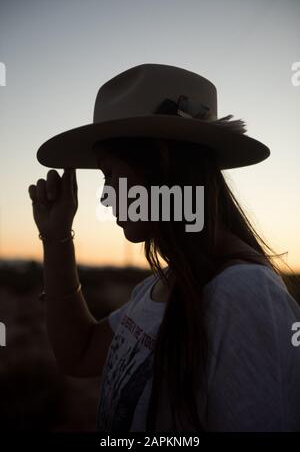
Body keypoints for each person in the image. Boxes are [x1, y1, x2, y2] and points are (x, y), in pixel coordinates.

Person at [29, 63, 300, 431]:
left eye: (110, 174)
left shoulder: (244, 297)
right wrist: (56, 236)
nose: (107, 198)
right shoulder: (166, 285)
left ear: (162, 163)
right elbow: (78, 354)